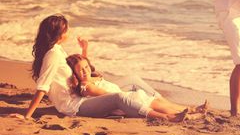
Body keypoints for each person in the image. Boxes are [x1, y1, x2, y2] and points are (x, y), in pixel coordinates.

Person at [13, 14, 196, 122]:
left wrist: (85, 50)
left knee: (132, 81)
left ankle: (175, 108)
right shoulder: (52, 55)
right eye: (66, 30)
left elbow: (80, 66)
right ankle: (166, 117)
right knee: (118, 97)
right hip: (74, 106)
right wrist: (27, 116)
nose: (68, 33)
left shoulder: (58, 50)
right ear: (59, 34)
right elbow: (42, 88)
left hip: (81, 95)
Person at [66, 54, 207, 121]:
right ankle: (187, 116)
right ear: (75, 74)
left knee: (156, 100)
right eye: (80, 70)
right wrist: (131, 96)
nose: (85, 71)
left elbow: (86, 66)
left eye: (86, 67)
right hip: (122, 101)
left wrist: (84, 50)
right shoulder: (87, 86)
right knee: (156, 104)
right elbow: (110, 95)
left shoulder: (89, 78)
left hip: (123, 97)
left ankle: (189, 110)